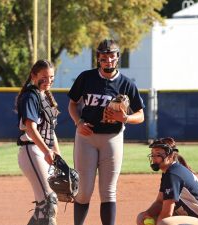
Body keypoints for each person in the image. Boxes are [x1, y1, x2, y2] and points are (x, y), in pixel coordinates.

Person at [68, 39, 145, 225]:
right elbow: (72, 104)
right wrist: (78, 122)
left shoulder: (126, 84)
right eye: (104, 57)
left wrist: (125, 118)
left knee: (108, 190)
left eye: (111, 56)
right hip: (86, 137)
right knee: (84, 190)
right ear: (98, 59)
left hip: (112, 138)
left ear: (117, 58)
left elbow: (141, 115)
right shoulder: (86, 77)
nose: (108, 60)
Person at [15, 59, 60, 225]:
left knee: (45, 205)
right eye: (44, 77)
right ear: (33, 76)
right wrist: (47, 151)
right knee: (48, 202)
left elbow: (50, 131)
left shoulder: (45, 97)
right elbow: (30, 128)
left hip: (42, 152)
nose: (48, 81)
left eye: (51, 77)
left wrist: (57, 155)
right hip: (31, 151)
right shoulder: (30, 96)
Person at [136, 137, 198, 225]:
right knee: (141, 217)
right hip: (191, 218)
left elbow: (166, 214)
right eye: (152, 154)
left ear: (170, 156)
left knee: (164, 222)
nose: (154, 158)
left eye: (158, 154)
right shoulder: (168, 172)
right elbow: (160, 202)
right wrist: (148, 213)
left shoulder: (173, 174)